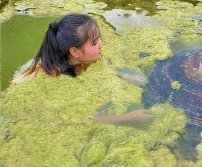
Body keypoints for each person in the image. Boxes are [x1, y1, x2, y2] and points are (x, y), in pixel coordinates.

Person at [16, 13, 153, 124]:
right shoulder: (55, 81)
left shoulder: (82, 58)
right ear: (75, 52)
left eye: (99, 38)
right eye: (94, 43)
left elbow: (98, 70)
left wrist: (125, 77)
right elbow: (80, 118)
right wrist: (127, 119)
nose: (101, 45)